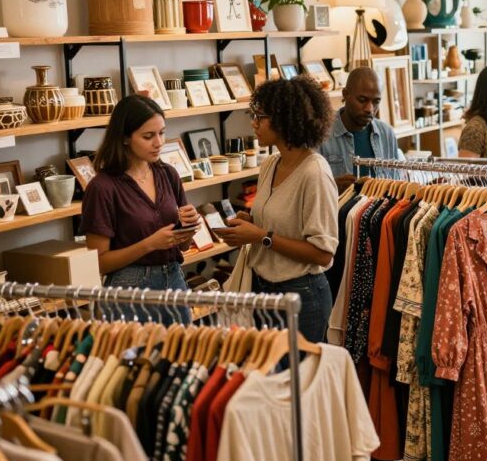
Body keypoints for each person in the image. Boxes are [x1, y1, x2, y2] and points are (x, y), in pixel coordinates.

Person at [215, 77, 339, 343]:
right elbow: (275, 221)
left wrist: (261, 236)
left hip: (301, 296)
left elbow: (322, 253)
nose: (253, 123)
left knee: (301, 380)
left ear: (284, 119)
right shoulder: (270, 164)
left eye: (260, 116)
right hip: (263, 290)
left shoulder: (314, 172)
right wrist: (249, 222)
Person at [81, 95, 201, 326]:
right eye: (148, 136)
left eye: (162, 133)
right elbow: (99, 262)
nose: (159, 143)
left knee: (181, 358)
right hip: (129, 290)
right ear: (125, 138)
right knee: (131, 360)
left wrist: (189, 228)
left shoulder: (168, 174)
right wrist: (150, 243)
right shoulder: (103, 187)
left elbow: (183, 246)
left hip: (174, 279)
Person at [320, 67, 400, 193]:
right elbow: (306, 189)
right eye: (362, 100)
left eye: (376, 102)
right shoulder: (321, 133)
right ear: (345, 94)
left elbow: (396, 184)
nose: (369, 108)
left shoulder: (387, 134)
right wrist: (333, 186)